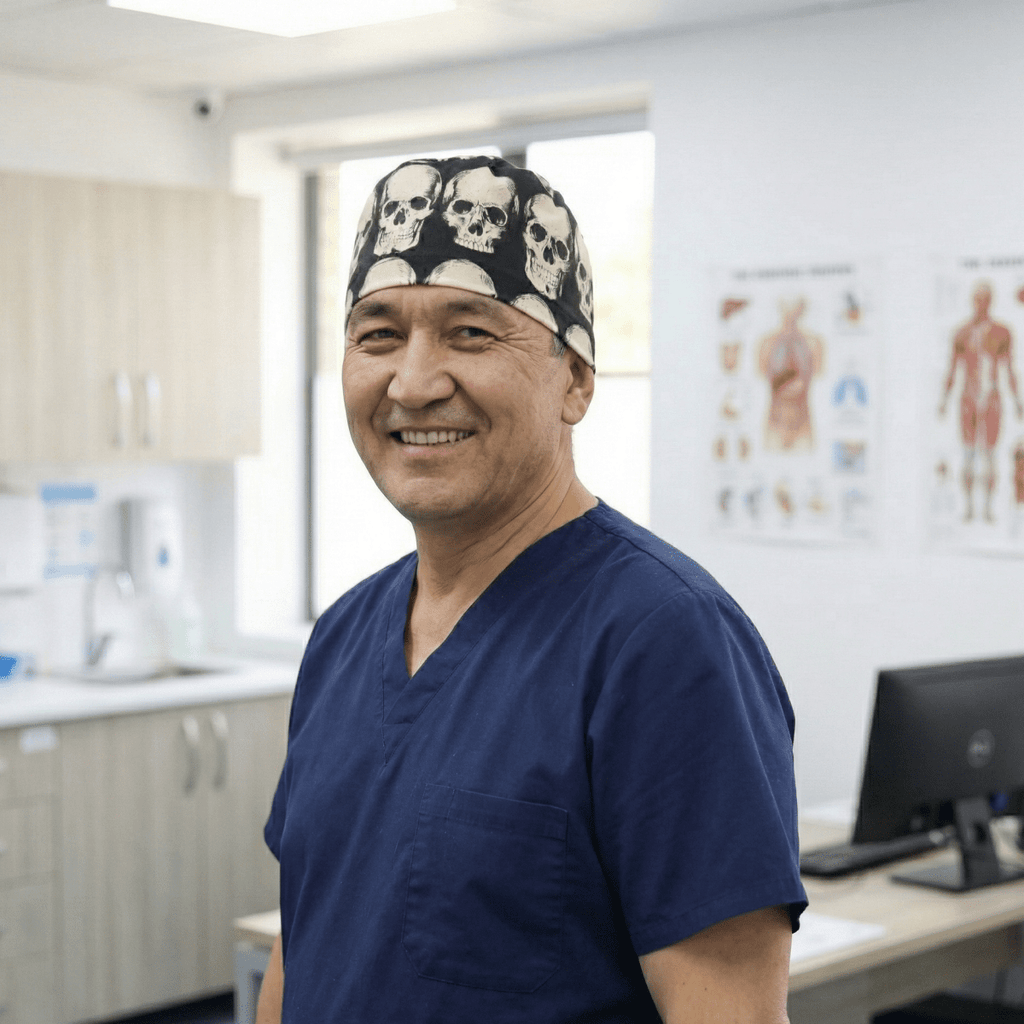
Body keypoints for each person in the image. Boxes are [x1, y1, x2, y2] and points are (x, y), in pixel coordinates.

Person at [257, 155, 806, 1024]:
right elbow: (308, 942)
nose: (413, 381)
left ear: (577, 380)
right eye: (378, 334)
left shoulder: (663, 642)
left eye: (471, 332)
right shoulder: (344, 635)